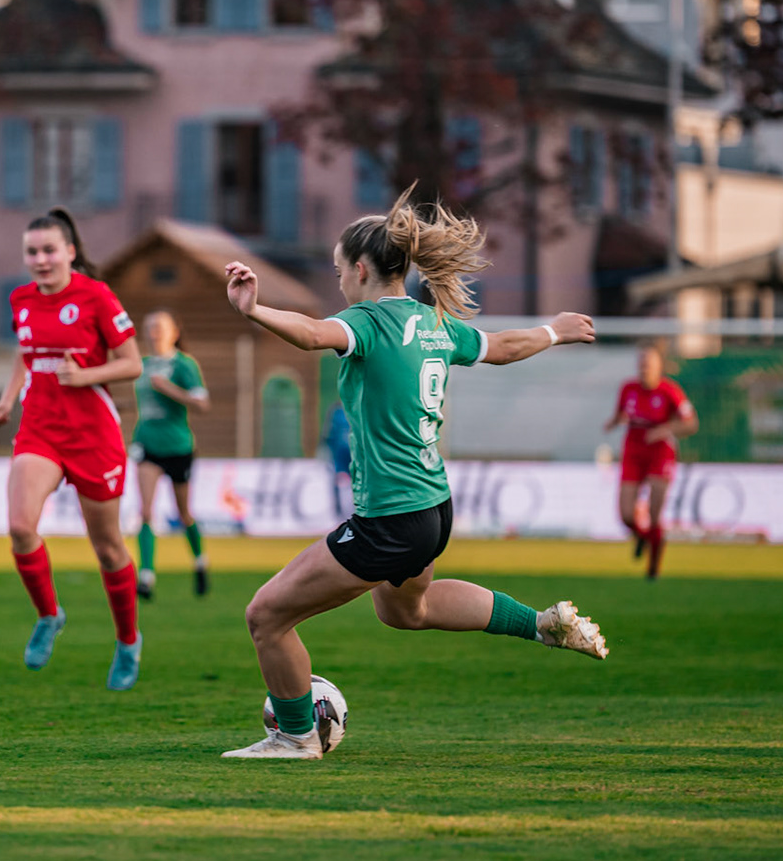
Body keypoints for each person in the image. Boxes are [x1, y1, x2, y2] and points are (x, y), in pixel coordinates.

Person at [218, 191, 610, 760]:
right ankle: (541, 625)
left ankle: (297, 736)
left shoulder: (369, 322)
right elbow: (500, 346)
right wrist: (553, 331)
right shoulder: (434, 323)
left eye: (337, 271)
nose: (339, 284)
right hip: (433, 509)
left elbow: (309, 333)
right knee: (406, 611)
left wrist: (252, 310)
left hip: (391, 517)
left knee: (267, 616)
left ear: (359, 269)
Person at [0, 208, 145, 690]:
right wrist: (8, 396)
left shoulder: (96, 296)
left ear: (70, 252)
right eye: (32, 252)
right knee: (19, 527)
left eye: (49, 250)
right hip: (40, 428)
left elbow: (132, 363)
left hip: (94, 435)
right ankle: (50, 615)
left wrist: (86, 376)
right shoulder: (21, 300)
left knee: (108, 547)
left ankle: (127, 640)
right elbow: (27, 351)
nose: (40, 259)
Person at [132, 310, 210, 600]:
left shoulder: (184, 364)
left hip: (178, 446)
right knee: (145, 510)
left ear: (174, 332)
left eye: (160, 328)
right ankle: (147, 574)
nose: (154, 333)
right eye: (150, 327)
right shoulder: (142, 365)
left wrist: (170, 390)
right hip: (146, 444)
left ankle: (200, 561)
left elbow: (202, 404)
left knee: (183, 513)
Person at [603, 343, 697, 580]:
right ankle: (642, 535)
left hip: (659, 452)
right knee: (626, 514)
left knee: (655, 514)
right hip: (633, 448)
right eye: (641, 363)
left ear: (659, 367)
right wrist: (612, 423)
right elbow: (620, 413)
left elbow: (690, 423)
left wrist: (665, 429)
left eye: (649, 364)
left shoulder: (670, 391)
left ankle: (653, 568)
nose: (644, 368)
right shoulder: (628, 388)